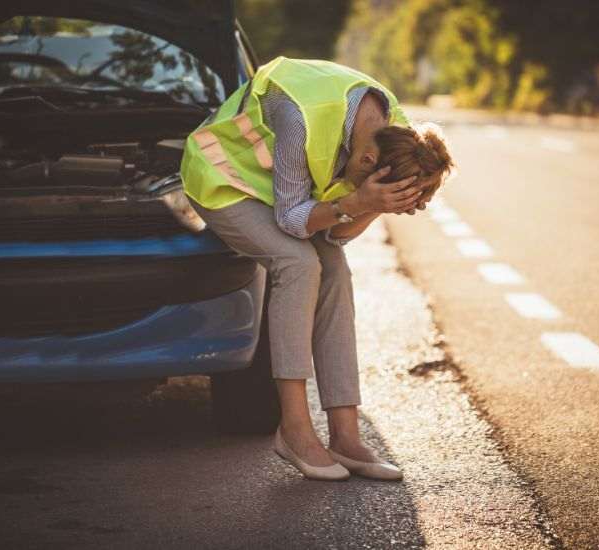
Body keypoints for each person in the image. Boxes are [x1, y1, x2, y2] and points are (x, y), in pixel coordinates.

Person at [181, 56, 455, 481]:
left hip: (281, 193)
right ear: (367, 162)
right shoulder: (300, 116)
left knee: (336, 271)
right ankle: (293, 429)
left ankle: (345, 436)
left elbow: (336, 235)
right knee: (298, 262)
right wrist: (361, 202)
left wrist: (373, 207)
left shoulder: (395, 131)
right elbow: (293, 218)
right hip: (224, 178)